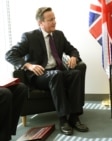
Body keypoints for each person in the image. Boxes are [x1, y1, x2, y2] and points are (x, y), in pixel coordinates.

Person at [5, 7, 88, 135]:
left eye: (54, 19)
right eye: (50, 20)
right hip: (40, 75)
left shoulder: (59, 35)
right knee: (57, 75)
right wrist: (28, 65)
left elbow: (72, 49)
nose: (54, 22)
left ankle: (74, 117)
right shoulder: (29, 37)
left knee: (75, 74)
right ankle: (63, 119)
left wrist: (73, 57)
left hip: (57, 71)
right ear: (40, 23)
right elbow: (10, 54)